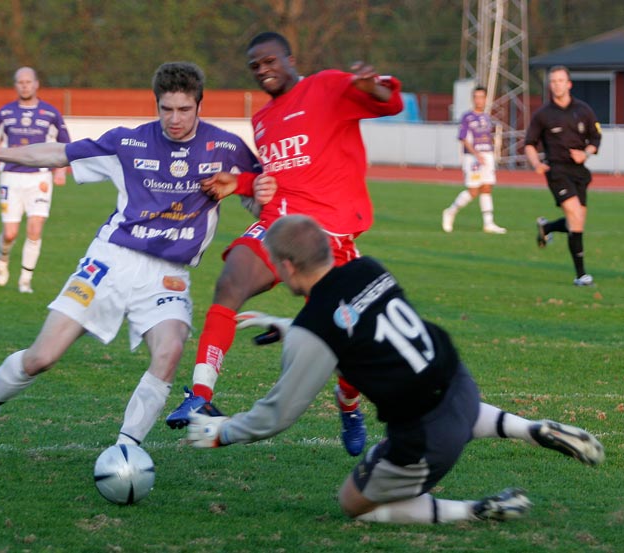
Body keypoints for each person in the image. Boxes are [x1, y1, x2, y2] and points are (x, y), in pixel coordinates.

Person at [0, 62, 272, 475]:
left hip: (168, 275)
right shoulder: (129, 143)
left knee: (170, 350)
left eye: (184, 110)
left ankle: (125, 453)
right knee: (41, 358)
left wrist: (261, 193)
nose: (174, 119)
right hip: (110, 261)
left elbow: (259, 195)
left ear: (199, 105)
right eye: (166, 109)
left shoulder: (227, 147)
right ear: (156, 105)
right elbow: (57, 153)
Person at [187, 214, 605, 524]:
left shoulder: (313, 331)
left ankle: (475, 510)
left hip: (426, 436)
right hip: (459, 382)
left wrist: (225, 431)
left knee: (354, 504)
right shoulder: (369, 268)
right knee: (442, 397)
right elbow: (356, 322)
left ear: (288, 267)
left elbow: (279, 414)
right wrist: (290, 327)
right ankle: (531, 429)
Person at [166, 31, 405, 458]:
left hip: (330, 234)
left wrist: (371, 84)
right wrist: (238, 183)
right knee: (230, 281)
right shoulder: (263, 119)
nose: (263, 70)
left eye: (269, 61)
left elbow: (388, 100)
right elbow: (275, 176)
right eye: (255, 66)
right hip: (281, 223)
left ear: (290, 59)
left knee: (345, 336)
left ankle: (348, 402)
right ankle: (201, 393)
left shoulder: (327, 85)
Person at [0, 67, 71, 293]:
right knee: (10, 233)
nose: (24, 85)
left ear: (36, 84)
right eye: (20, 82)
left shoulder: (50, 113)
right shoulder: (5, 113)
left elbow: (64, 144)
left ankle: (25, 280)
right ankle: (3, 258)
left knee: (35, 229)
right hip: (11, 177)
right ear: (15, 85)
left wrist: (60, 170)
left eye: (28, 81)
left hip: (39, 178)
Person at [525, 65, 602, 287]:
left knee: (575, 222)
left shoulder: (584, 110)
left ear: (569, 84)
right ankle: (581, 275)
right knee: (576, 215)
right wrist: (536, 163)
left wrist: (585, 152)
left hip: (579, 172)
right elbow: (530, 143)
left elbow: (596, 139)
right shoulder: (543, 115)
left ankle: (546, 228)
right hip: (557, 171)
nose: (557, 84)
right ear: (550, 85)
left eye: (561, 80)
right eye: (553, 81)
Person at [442, 86, 506, 234]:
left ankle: (488, 223)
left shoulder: (486, 117)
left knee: (487, 187)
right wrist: (476, 154)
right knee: (473, 190)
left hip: (487, 155)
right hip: (473, 158)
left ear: (485, 99)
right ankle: (450, 211)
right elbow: (463, 138)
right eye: (476, 97)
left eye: (482, 97)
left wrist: (491, 154)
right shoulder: (467, 117)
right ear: (473, 99)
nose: (479, 100)